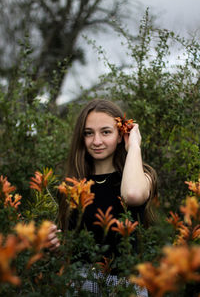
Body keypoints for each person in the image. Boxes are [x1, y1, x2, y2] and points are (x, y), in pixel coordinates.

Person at [48, 99, 158, 296]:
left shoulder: (143, 176)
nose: (96, 141)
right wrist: (55, 245)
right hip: (81, 283)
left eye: (106, 132)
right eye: (88, 133)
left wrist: (133, 146)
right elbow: (73, 252)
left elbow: (132, 195)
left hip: (125, 285)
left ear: (119, 135)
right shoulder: (72, 185)